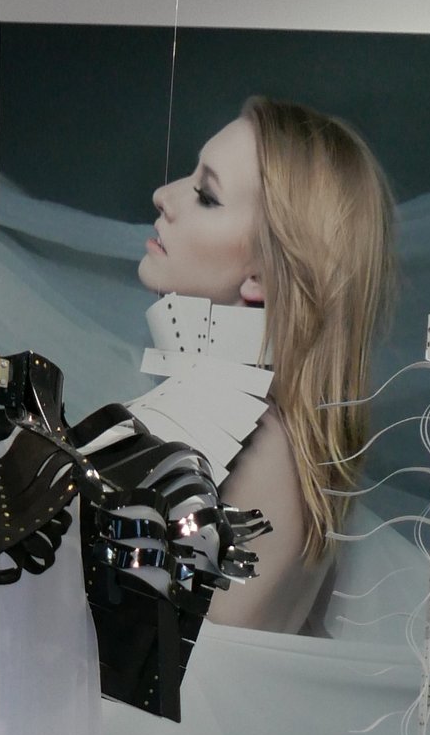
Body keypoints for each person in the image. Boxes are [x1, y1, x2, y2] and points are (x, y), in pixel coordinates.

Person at [136, 96, 396, 633]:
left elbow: (191, 660)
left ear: (260, 275)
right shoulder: (273, 434)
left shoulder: (251, 444)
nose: (163, 197)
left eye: (206, 196)